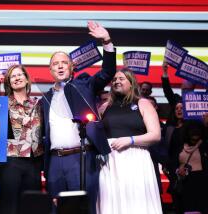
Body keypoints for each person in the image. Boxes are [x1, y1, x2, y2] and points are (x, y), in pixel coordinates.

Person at [41, 21, 116, 214]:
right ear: (50, 71)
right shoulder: (45, 98)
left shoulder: (85, 85)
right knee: (55, 210)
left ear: (71, 67)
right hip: (55, 161)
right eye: (55, 64)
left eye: (63, 63)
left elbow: (107, 72)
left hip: (82, 157)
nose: (59, 66)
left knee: (84, 209)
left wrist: (106, 41)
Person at [0, 58, 44, 214]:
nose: (17, 78)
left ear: (27, 79)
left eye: (20, 75)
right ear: (9, 82)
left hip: (34, 163)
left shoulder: (38, 103)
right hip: (10, 161)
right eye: (13, 76)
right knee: (9, 207)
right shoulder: (3, 102)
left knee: (31, 208)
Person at [97, 68, 162, 214]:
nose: (117, 81)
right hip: (110, 162)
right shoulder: (103, 107)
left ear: (131, 83)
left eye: (121, 78)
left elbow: (155, 135)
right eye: (114, 79)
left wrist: (130, 140)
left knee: (136, 204)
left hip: (136, 160)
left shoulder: (143, 103)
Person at [172, 120, 208, 213]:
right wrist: (177, 170)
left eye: (197, 131)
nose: (195, 133)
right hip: (185, 184)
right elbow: (171, 163)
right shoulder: (180, 147)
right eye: (192, 131)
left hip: (202, 184)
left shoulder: (204, 146)